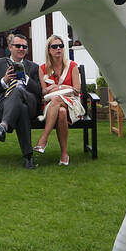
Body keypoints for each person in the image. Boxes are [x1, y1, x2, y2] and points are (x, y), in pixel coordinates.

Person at [0, 32, 43, 168]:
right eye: (18, 46)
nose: (21, 49)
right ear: (10, 47)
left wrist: (26, 78)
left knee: (19, 92)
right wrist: (4, 81)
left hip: (30, 104)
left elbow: (39, 91)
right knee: (20, 108)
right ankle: (28, 158)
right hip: (5, 105)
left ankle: (3, 126)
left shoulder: (33, 67)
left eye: (24, 47)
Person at [34, 34, 83, 166]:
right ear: (49, 50)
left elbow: (77, 90)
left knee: (56, 99)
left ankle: (44, 139)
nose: (58, 49)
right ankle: (64, 154)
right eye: (54, 46)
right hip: (52, 107)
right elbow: (44, 91)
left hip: (72, 103)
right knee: (60, 111)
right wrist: (63, 88)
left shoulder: (72, 65)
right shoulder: (42, 68)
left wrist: (58, 87)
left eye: (61, 46)